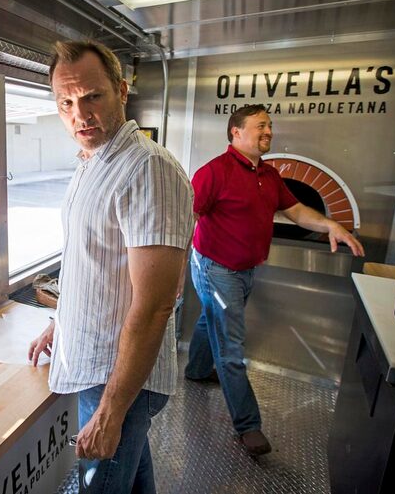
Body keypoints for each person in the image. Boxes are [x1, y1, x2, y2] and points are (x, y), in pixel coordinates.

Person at [27, 40, 193, 494]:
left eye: (92, 96)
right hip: (94, 357)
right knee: (134, 478)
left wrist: (112, 412)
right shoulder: (93, 160)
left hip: (116, 376)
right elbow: (90, 264)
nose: (79, 114)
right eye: (66, 102)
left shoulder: (147, 169)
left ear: (121, 90)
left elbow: (156, 305)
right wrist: (61, 321)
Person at [184, 104, 364, 456]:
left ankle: (196, 370)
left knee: (212, 320)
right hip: (215, 268)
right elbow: (186, 217)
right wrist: (180, 269)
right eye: (260, 126)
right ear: (235, 132)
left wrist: (331, 224)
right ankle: (248, 426)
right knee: (231, 349)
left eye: (270, 126)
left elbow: (295, 210)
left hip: (246, 269)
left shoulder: (268, 174)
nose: (268, 132)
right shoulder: (213, 172)